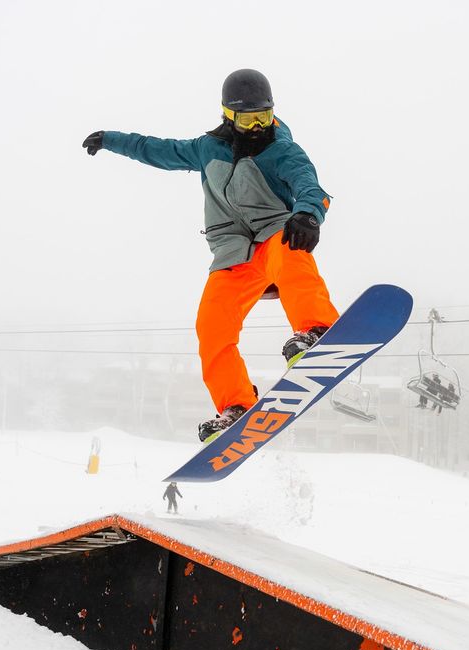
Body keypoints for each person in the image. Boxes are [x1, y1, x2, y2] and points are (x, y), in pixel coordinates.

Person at [83, 68, 339, 442]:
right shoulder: (207, 149)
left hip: (273, 238)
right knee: (212, 325)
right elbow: (157, 149)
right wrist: (112, 140)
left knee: (290, 250)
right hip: (233, 252)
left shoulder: (281, 149)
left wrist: (307, 215)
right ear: (228, 116)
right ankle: (236, 405)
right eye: (250, 120)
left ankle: (316, 330)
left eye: (264, 118)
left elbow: (307, 184)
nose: (258, 128)